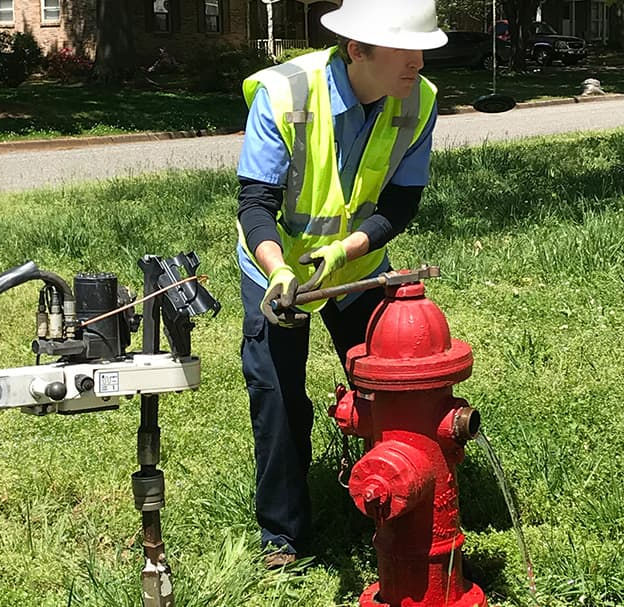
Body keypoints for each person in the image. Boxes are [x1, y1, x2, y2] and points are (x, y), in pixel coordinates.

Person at [235, 0, 446, 568]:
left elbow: (401, 203)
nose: (419, 62)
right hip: (274, 270)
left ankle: (393, 501)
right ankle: (284, 538)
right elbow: (255, 204)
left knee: (390, 388)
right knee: (279, 401)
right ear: (357, 49)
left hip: (354, 269)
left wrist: (349, 249)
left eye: (422, 47)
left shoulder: (418, 102)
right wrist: (281, 270)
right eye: (406, 49)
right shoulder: (286, 94)